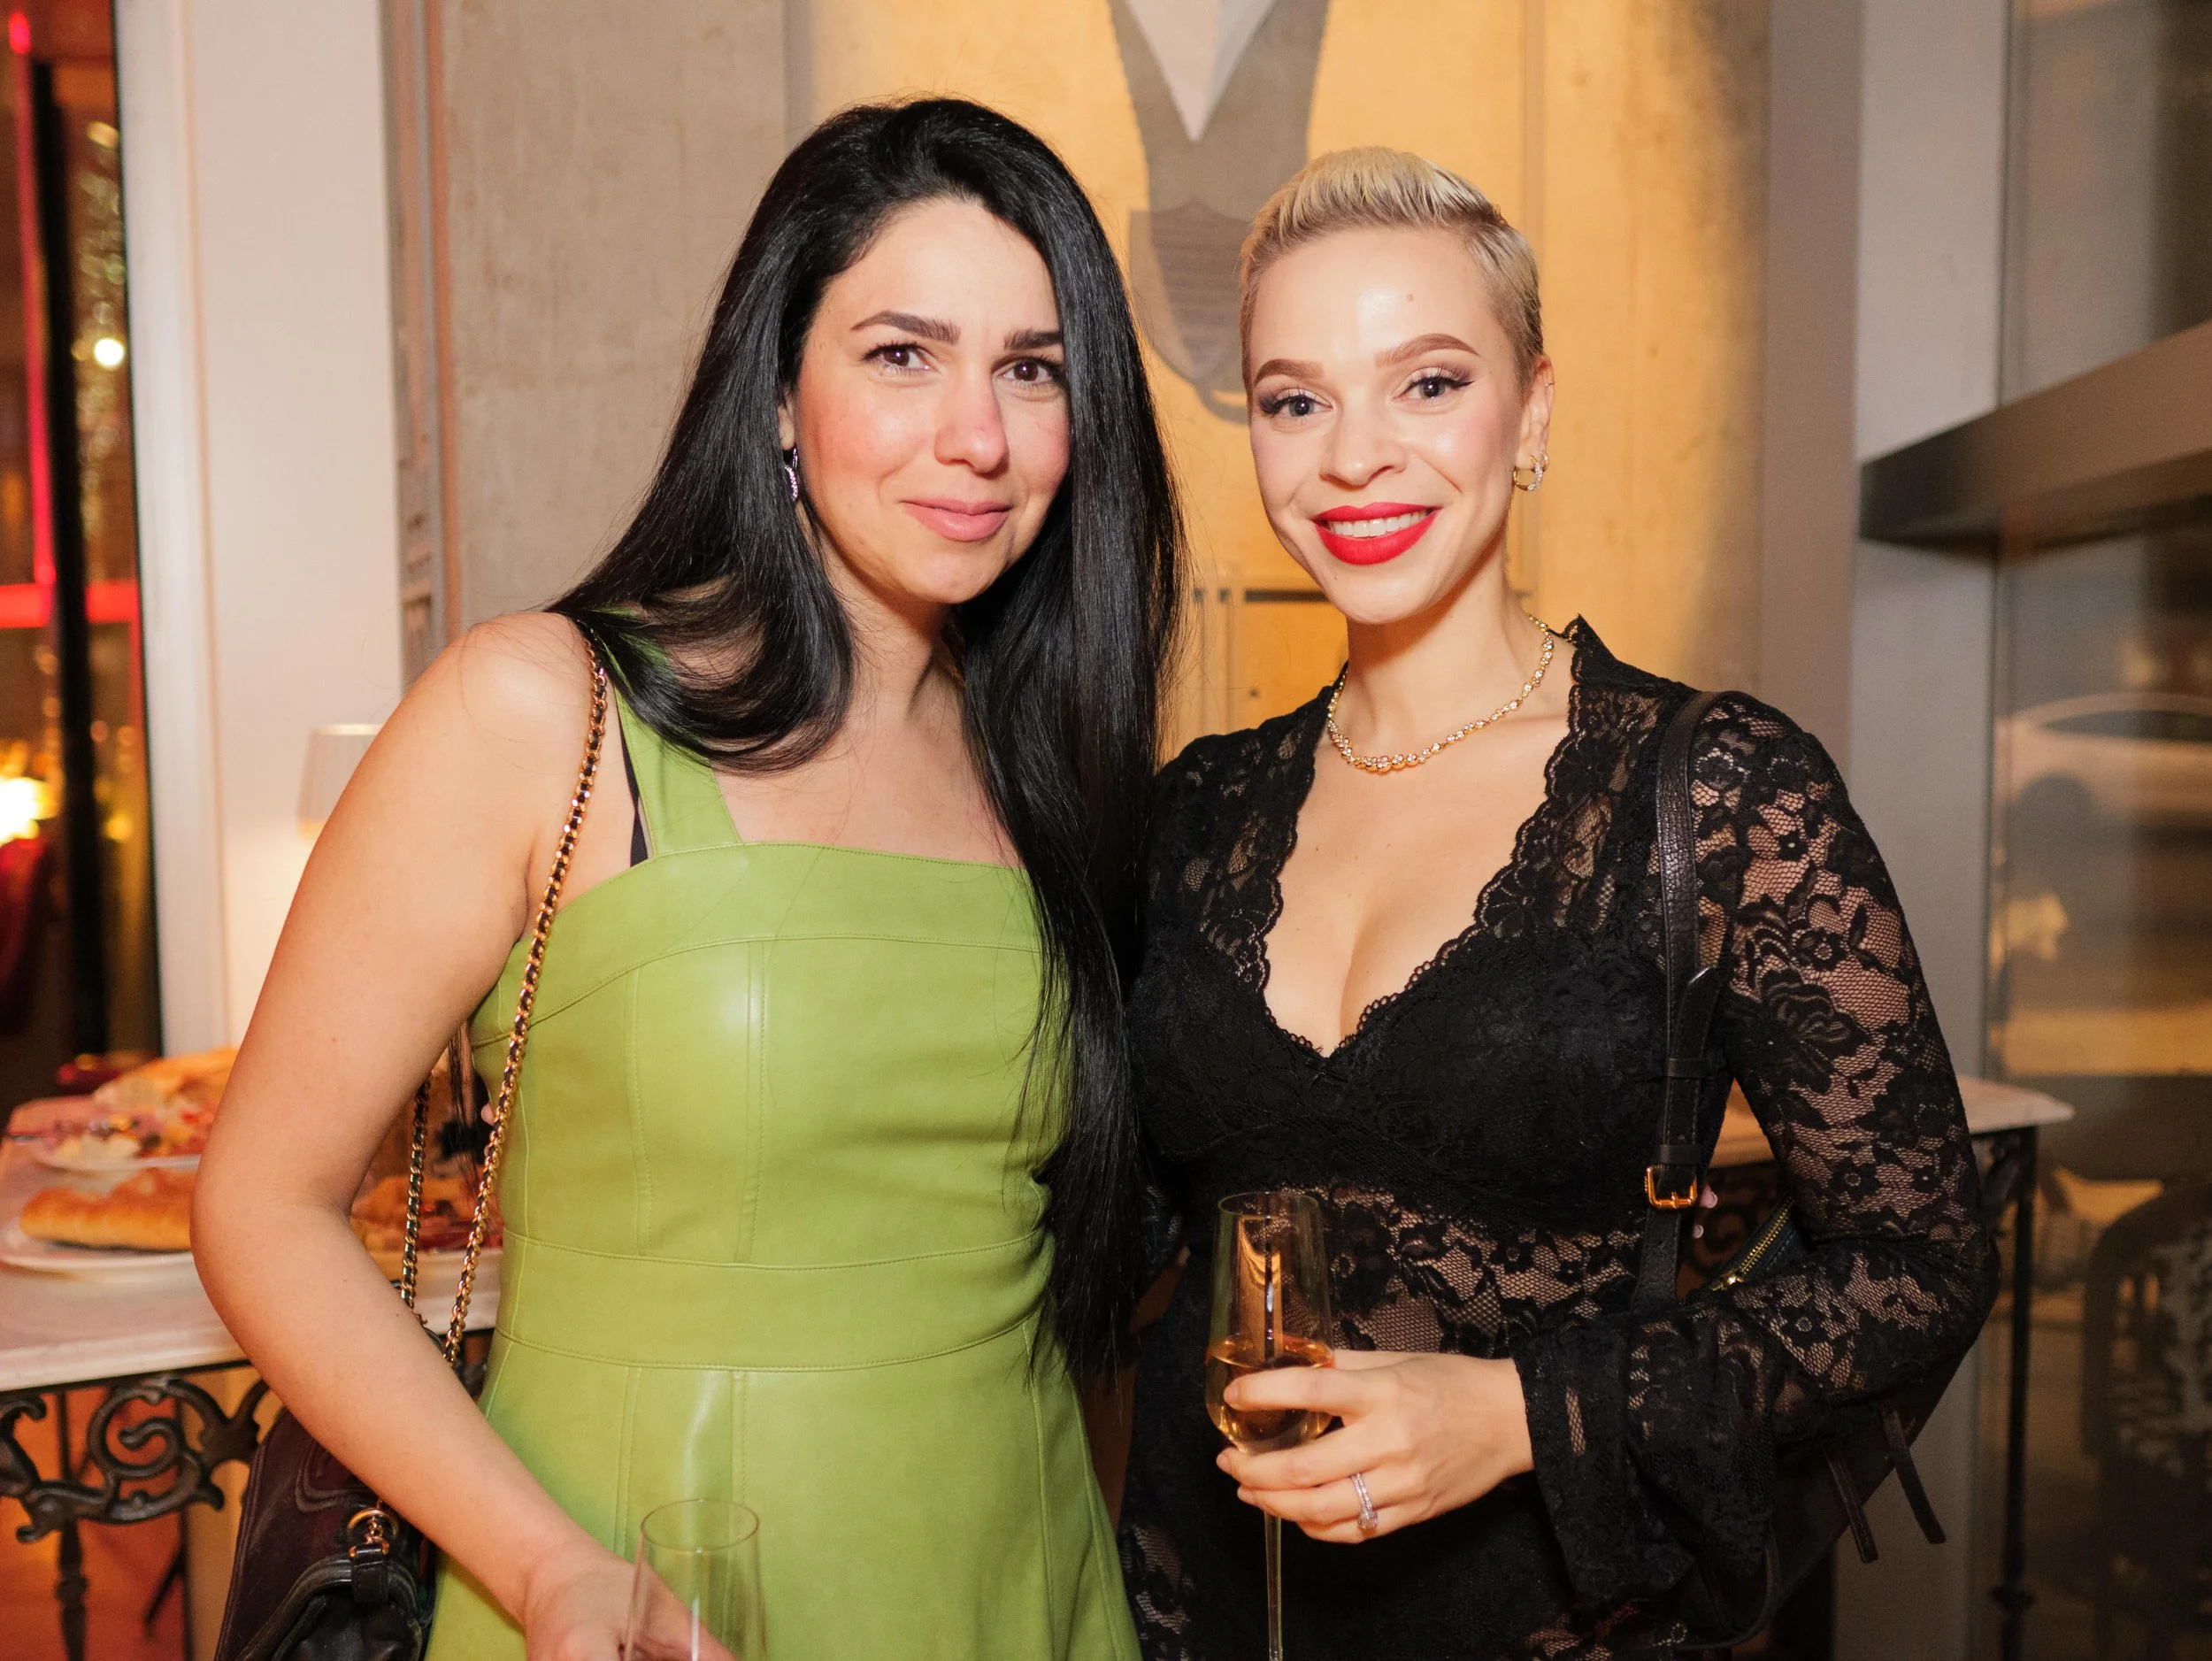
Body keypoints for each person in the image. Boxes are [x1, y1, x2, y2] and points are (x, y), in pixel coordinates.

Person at [194, 98, 1179, 1661]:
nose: (977, 435)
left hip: (1016, 1576)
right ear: (778, 392)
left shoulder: (1054, 780)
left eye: (1032, 368)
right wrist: (547, 1576)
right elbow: (260, 1206)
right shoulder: (543, 711)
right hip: (645, 1594)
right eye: (902, 354)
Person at [1115, 148, 1998, 1658]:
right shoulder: (1193, 809)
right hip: (1202, 1613)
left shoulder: (1718, 793)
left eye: (1430, 383)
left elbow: (1925, 1264)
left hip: (1564, 1623)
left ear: (1534, 411)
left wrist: (1523, 1413)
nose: (1355, 458)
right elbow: (1125, 1229)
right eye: (1295, 398)